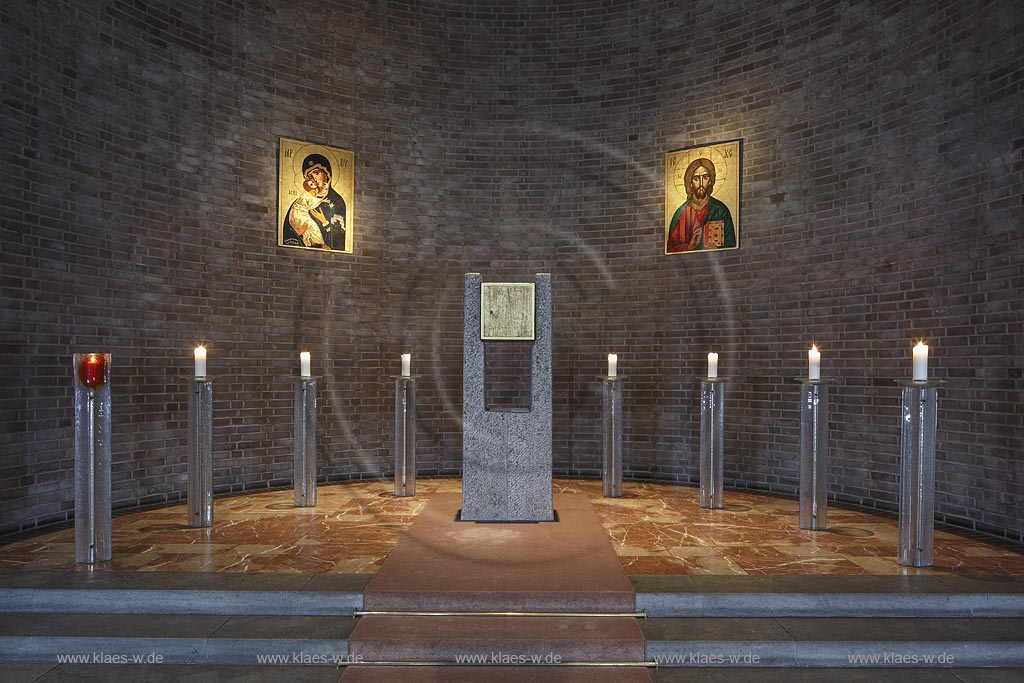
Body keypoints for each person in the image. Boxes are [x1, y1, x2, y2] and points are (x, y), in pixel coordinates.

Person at [666, 157, 736, 253]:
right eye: (696, 178)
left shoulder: (720, 210)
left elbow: (731, 244)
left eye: (705, 177)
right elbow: (670, 248)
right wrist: (688, 247)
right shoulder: (681, 213)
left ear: (711, 180)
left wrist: (717, 249)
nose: (701, 183)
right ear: (690, 182)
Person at [282, 153, 346, 251]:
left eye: (316, 173)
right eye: (310, 176)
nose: (314, 179)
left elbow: (340, 239)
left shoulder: (337, 201)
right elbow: (289, 234)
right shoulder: (301, 202)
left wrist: (324, 222)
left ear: (327, 174)